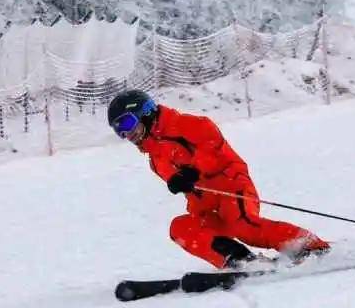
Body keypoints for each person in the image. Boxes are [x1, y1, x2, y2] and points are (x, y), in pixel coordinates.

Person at [107, 89, 330, 268]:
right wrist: (177, 181)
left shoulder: (188, 125)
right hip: (205, 205)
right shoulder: (155, 159)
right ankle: (240, 261)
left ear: (145, 111)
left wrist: (194, 170)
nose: (126, 134)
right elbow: (177, 180)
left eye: (126, 124)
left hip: (231, 187)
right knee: (181, 228)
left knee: (245, 228)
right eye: (119, 131)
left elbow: (212, 144)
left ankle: (311, 247)